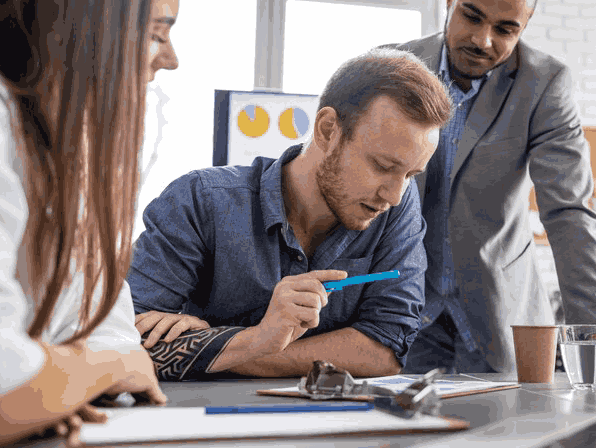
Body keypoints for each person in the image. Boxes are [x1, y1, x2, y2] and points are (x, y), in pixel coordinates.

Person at [389, 0, 596, 381]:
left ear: (526, 23)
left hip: (499, 315)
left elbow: (569, 213)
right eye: (471, 16)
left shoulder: (544, 84)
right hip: (402, 311)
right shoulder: (392, 68)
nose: (483, 40)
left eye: (505, 29)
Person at [127, 49, 452, 381]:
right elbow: (125, 344)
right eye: (382, 166)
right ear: (328, 130)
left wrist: (218, 346)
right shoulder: (199, 201)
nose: (394, 195)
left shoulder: (395, 205)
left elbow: (385, 350)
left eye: (410, 174)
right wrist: (258, 339)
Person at [0, 0, 186, 445]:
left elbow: (109, 330)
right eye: (155, 34)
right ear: (79, 22)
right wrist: (84, 374)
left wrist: (56, 385)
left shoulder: (70, 151)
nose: (170, 59)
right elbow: (0, 391)